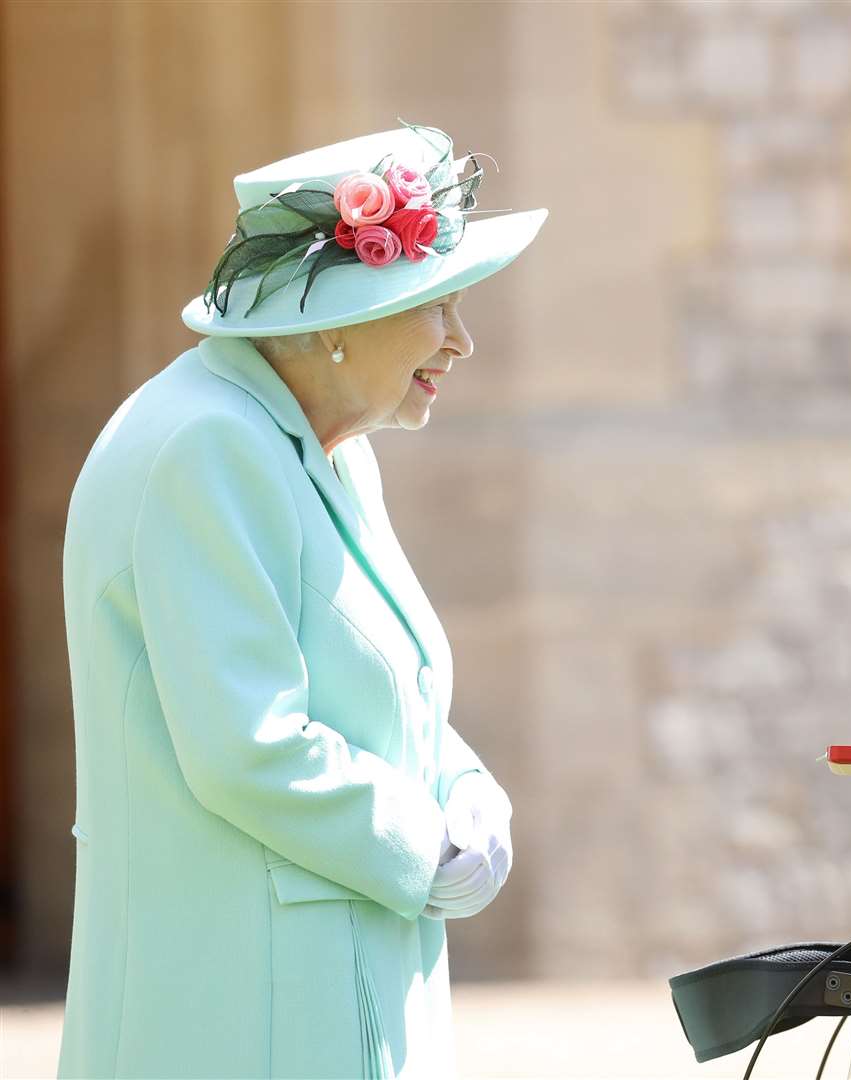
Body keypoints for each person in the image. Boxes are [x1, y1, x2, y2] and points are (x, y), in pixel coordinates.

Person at [57, 124, 547, 1078]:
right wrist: (426, 843)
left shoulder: (320, 443)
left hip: (317, 996)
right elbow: (249, 744)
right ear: (335, 323)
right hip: (240, 1010)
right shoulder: (208, 445)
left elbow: (385, 681)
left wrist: (468, 790)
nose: (461, 340)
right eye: (435, 304)